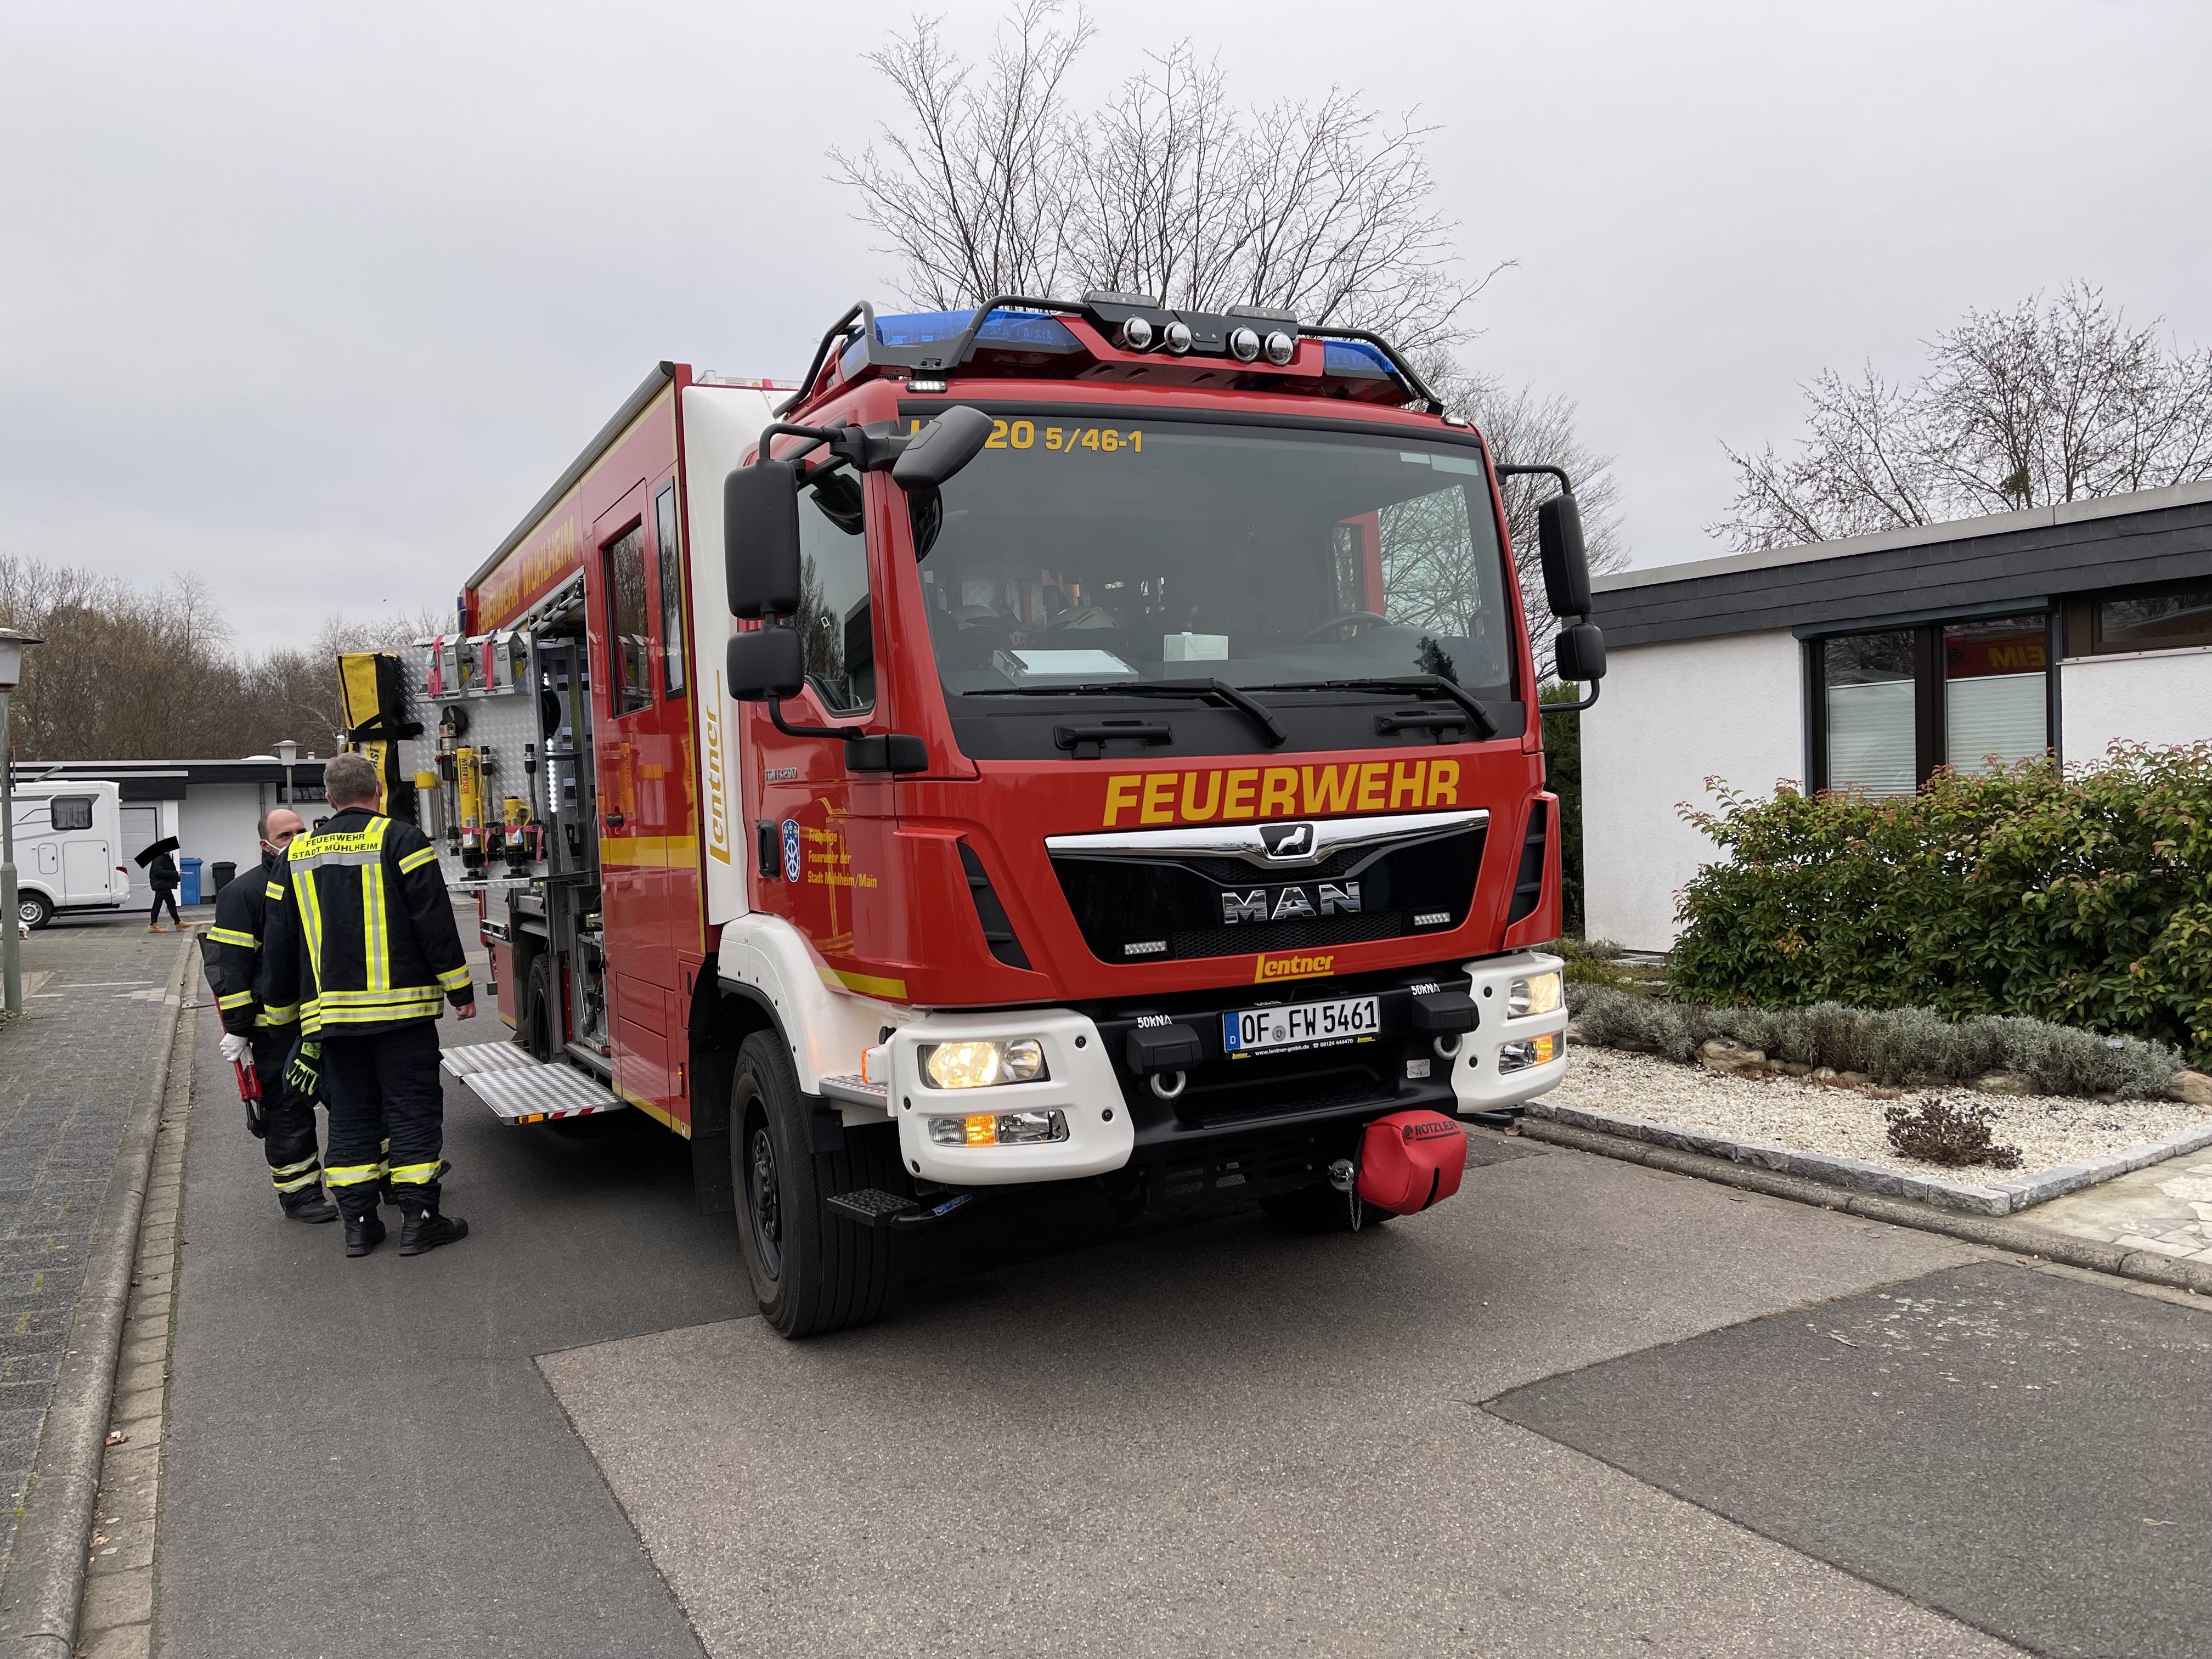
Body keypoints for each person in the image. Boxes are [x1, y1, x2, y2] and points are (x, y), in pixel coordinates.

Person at [258, 752, 476, 1259]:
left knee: (352, 1117)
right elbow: (434, 923)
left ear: (329, 800)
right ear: (378, 792)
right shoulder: (401, 839)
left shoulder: (293, 856)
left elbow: (279, 942)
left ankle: (359, 1226)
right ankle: (421, 1222)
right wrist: (460, 991)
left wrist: (283, 1019)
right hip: (403, 1017)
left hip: (331, 1022)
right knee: (411, 1111)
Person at [207, 809, 337, 1224]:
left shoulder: (327, 878)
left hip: (332, 1018)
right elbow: (232, 969)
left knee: (358, 1100)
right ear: (265, 844)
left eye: (302, 831)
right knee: (288, 1113)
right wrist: (241, 1030)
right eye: (285, 835)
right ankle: (299, 1196)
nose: (297, 840)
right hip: (274, 1030)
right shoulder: (242, 893)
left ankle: (387, 1178)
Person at [148, 848, 182, 932]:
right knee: (159, 905)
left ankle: (178, 923)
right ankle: (154, 925)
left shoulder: (163, 857)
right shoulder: (160, 858)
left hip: (164, 886)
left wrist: (176, 875)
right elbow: (159, 871)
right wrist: (175, 874)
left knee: (170, 904)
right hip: (162, 886)